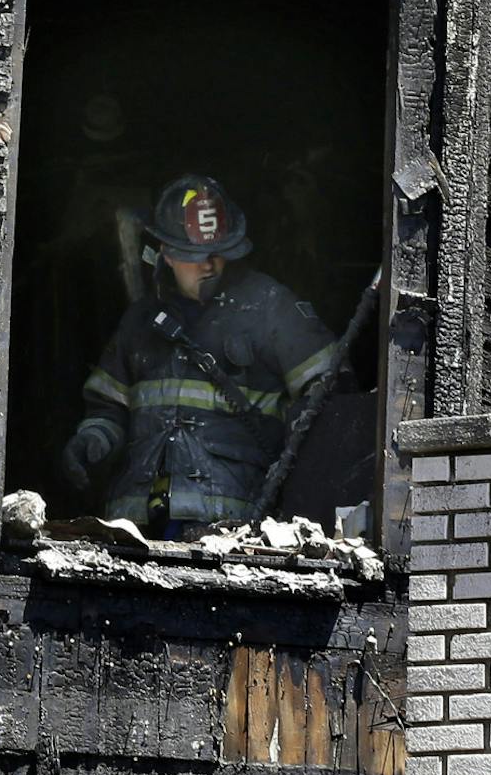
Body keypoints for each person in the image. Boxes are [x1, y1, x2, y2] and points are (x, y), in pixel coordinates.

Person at [58, 174, 338, 534]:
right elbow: (108, 407)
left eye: (218, 254)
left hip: (231, 521)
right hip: (137, 524)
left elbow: (332, 396)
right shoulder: (141, 321)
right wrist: (93, 439)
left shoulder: (269, 308)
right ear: (166, 253)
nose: (209, 265)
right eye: (196, 256)